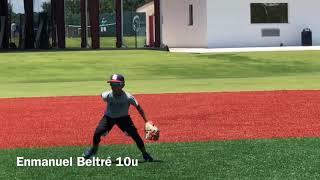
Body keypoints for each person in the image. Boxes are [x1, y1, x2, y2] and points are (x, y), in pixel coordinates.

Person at [83, 74, 153, 162]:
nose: (112, 86)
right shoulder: (107, 95)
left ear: (122, 85)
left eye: (116, 84)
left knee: (135, 136)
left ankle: (144, 153)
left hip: (123, 118)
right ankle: (93, 150)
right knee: (97, 132)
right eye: (111, 84)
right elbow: (102, 95)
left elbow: (139, 107)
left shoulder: (128, 97)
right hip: (108, 118)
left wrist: (147, 121)